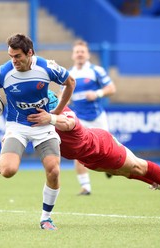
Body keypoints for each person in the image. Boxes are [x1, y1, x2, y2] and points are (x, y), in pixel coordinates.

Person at [0, 33, 76, 230]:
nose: (14, 61)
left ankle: (46, 218)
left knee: (54, 170)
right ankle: (1, 161)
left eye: (17, 56)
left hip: (43, 126)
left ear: (30, 53)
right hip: (17, 126)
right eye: (11, 56)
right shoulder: (3, 72)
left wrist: (58, 111)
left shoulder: (47, 67)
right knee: (8, 171)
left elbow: (70, 83)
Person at [27, 91, 160, 215]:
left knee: (137, 166)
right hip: (88, 158)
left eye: (39, 106)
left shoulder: (63, 114)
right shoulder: (41, 122)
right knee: (122, 173)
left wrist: (50, 118)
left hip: (102, 147)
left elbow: (68, 123)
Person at [63, 39, 117, 196]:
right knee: (78, 151)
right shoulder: (68, 74)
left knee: (108, 150)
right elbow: (61, 94)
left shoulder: (96, 71)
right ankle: (86, 187)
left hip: (98, 117)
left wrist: (98, 93)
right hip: (80, 119)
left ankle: (110, 167)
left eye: (82, 52)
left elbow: (111, 88)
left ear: (87, 55)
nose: (80, 54)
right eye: (77, 52)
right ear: (73, 55)